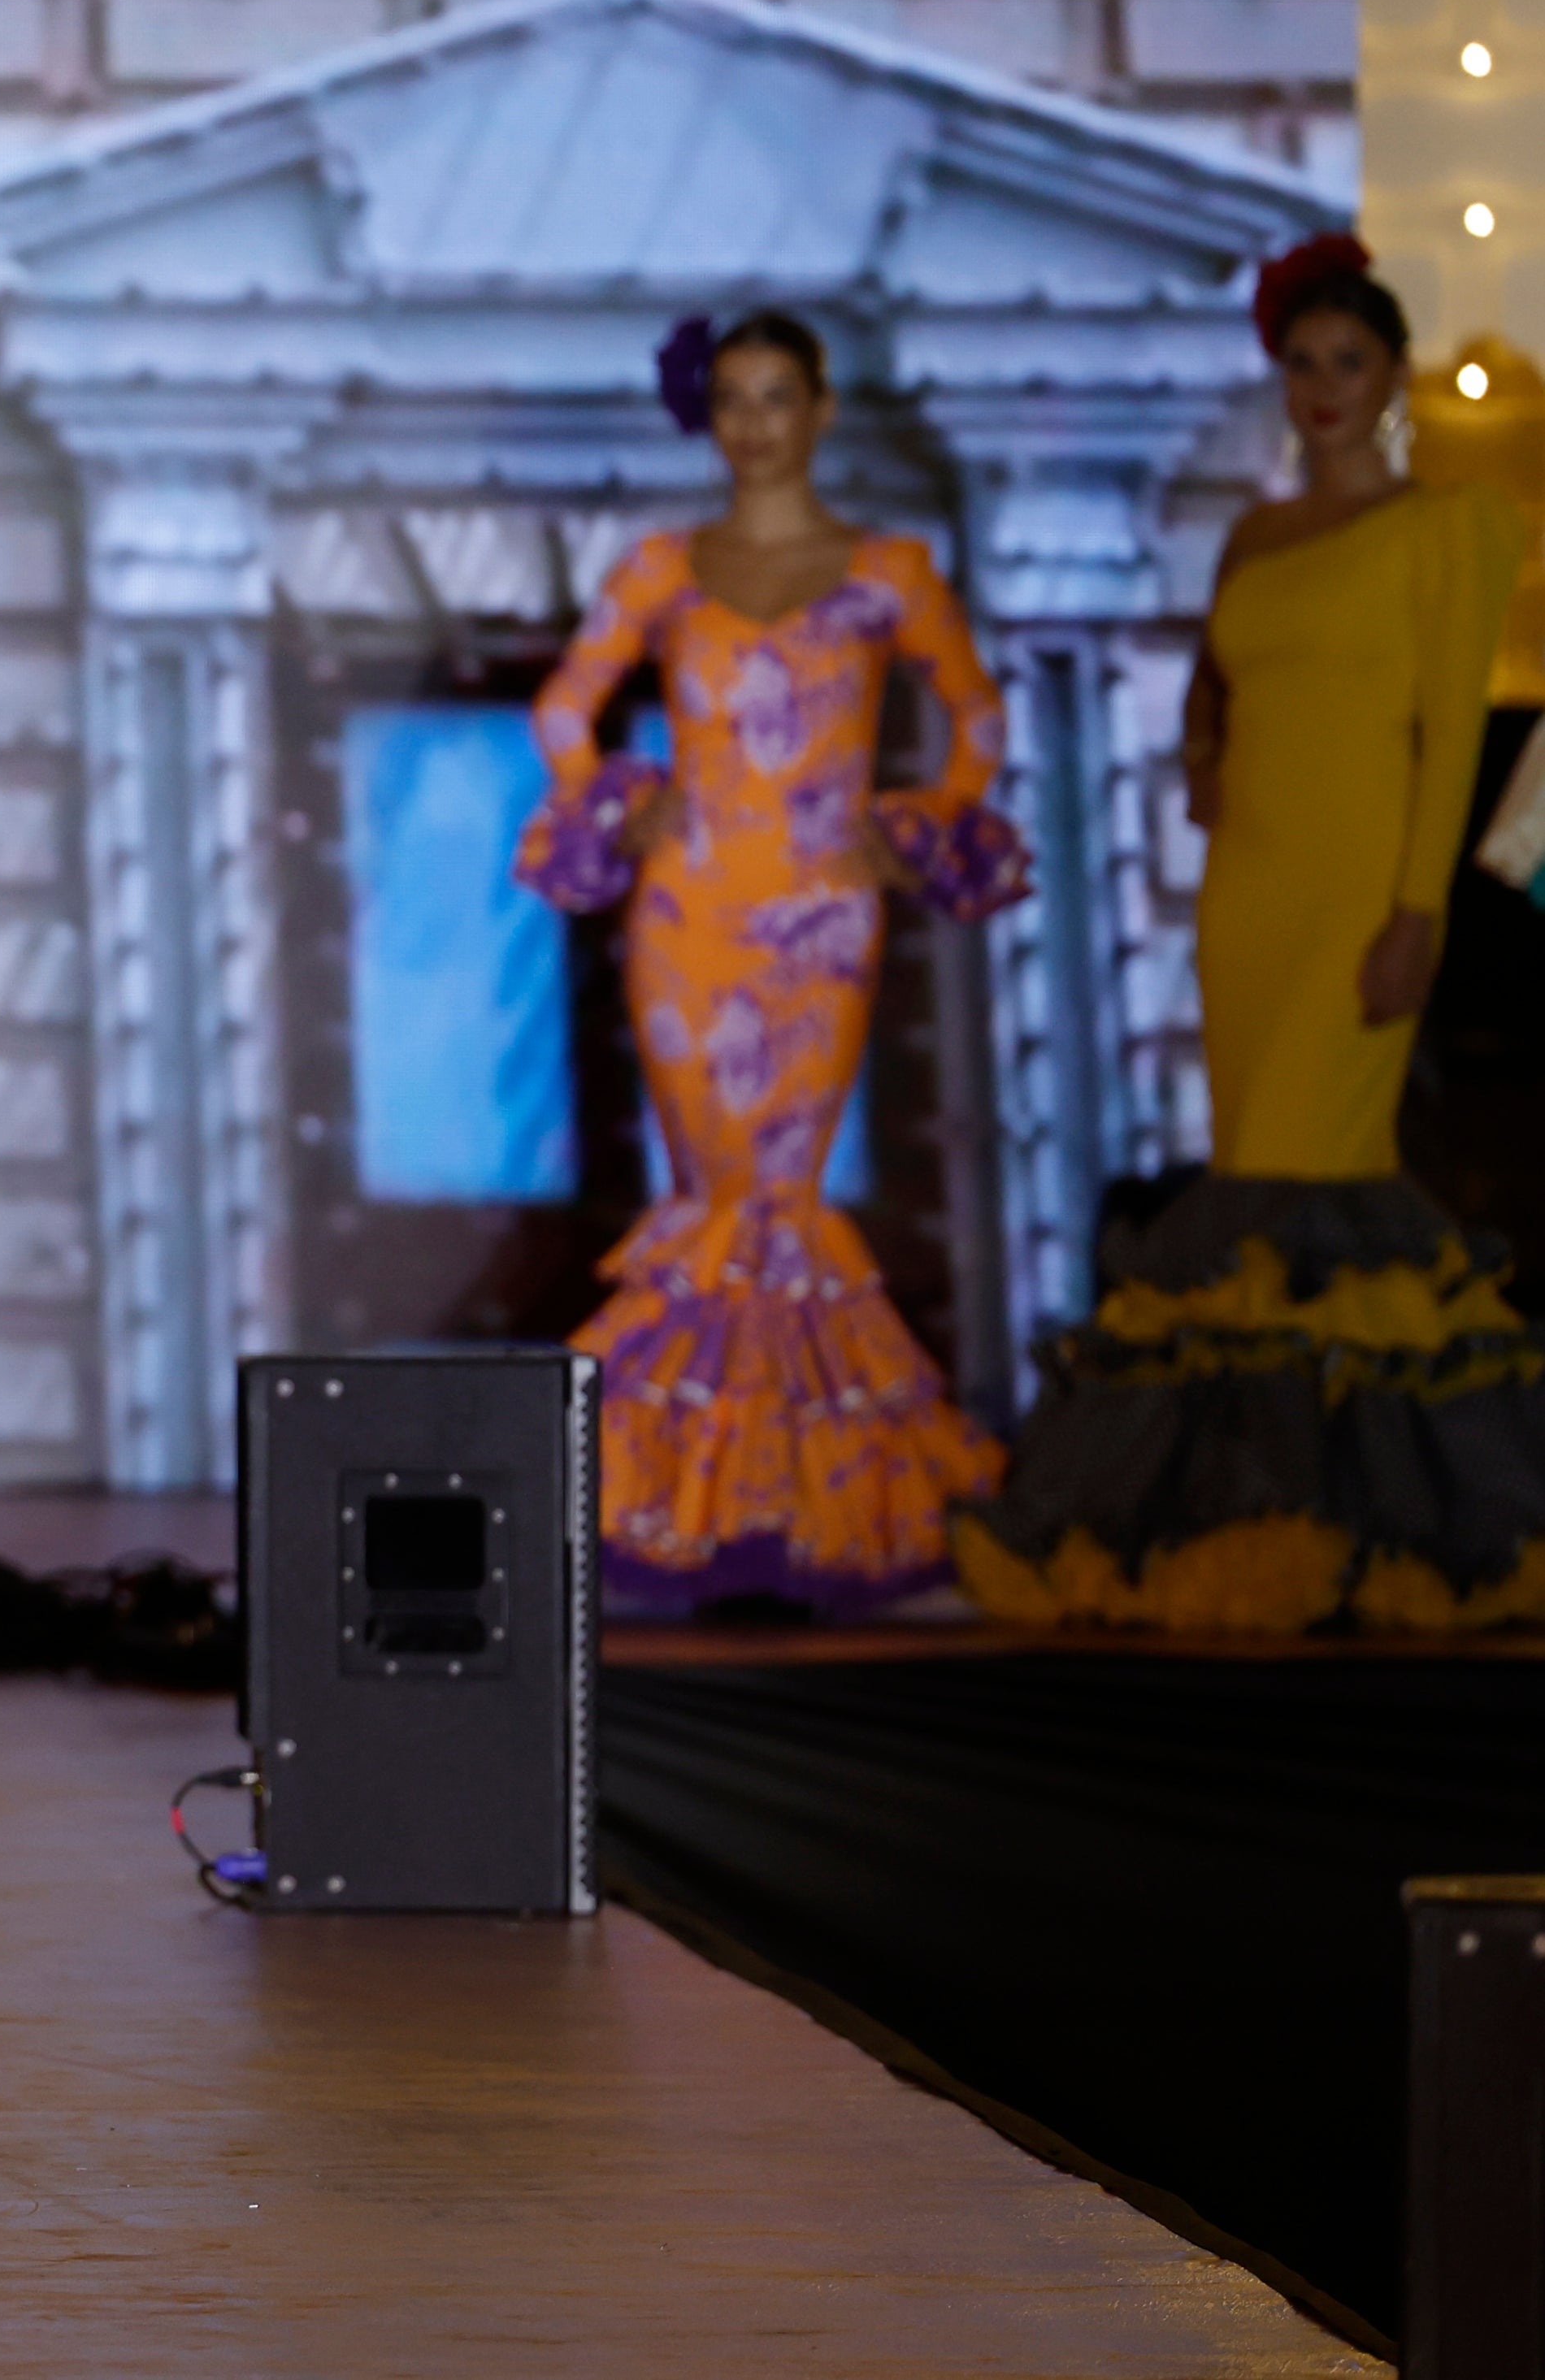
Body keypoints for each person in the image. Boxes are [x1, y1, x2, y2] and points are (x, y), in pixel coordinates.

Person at [961, 237, 1545, 1632]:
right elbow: (1215, 682)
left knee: (1315, 1180)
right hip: (1247, 892)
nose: (1324, 387)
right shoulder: (1251, 532)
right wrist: (1205, 744)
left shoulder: (1445, 526)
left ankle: (1375, 1523)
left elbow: (1450, 732)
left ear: (1393, 375)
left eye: (1349, 363)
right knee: (1249, 1181)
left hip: (1360, 884)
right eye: (1302, 365)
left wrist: (1418, 910)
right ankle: (1261, 1510)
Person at [517, 310, 1026, 1617]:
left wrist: (905, 826)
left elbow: (976, 713)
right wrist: (619, 801)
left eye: (776, 395)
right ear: (713, 413)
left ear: (820, 407)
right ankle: (693, 1510)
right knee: (713, 1198)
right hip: (688, 915)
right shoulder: (663, 567)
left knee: (776, 1201)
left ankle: (776, 1510)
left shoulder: (884, 568)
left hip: (822, 916)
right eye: (733, 397)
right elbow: (565, 704)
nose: (753, 421)